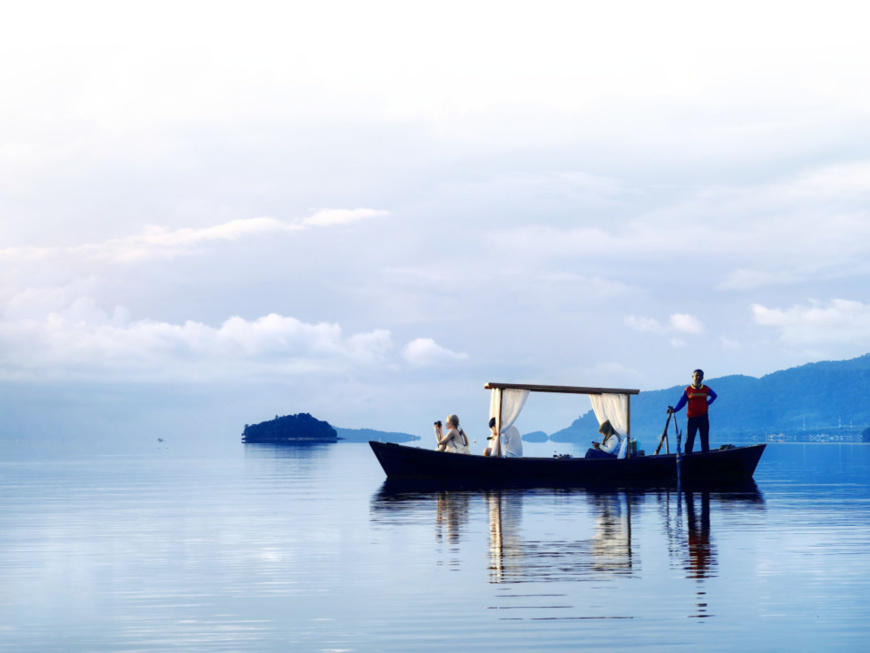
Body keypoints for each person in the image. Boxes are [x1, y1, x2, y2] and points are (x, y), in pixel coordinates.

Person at [668, 369, 718, 454]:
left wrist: (707, 403)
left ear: (702, 378)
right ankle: (687, 456)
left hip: (703, 417)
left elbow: (714, 395)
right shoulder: (688, 390)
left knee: (704, 438)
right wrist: (674, 410)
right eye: (696, 375)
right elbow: (682, 402)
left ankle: (706, 457)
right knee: (690, 439)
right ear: (692, 377)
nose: (698, 377)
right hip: (692, 418)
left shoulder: (706, 389)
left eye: (700, 376)